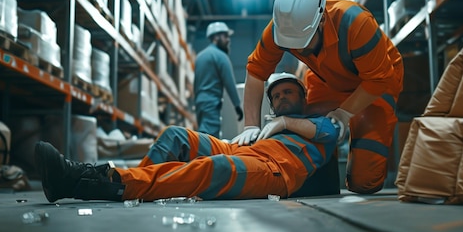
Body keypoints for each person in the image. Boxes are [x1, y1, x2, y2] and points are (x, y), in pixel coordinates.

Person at [34, 73, 340, 203]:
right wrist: (256, 131)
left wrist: (285, 122)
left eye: (288, 92)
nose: (282, 97)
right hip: (245, 148)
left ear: (303, 96)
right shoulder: (266, 126)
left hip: (275, 169)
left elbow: (332, 133)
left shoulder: (318, 124)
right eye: (276, 96)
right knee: (175, 135)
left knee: (213, 167)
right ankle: (132, 186)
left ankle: (93, 181)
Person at [232, 0, 404, 195]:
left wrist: (343, 114)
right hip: (328, 79)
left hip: (374, 84)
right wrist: (250, 126)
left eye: (304, 42)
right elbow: (256, 72)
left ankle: (360, 151)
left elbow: (379, 79)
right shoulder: (281, 29)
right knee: (306, 126)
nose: (299, 50)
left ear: (322, 20)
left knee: (365, 182)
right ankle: (323, 179)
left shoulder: (356, 24)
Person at [193, 21, 243, 137]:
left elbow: (196, 84)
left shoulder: (200, 56)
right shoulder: (220, 56)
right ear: (216, 37)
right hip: (211, 102)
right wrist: (237, 105)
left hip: (200, 103)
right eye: (225, 36)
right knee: (210, 137)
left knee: (203, 132)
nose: (228, 40)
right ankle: (206, 155)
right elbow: (229, 82)